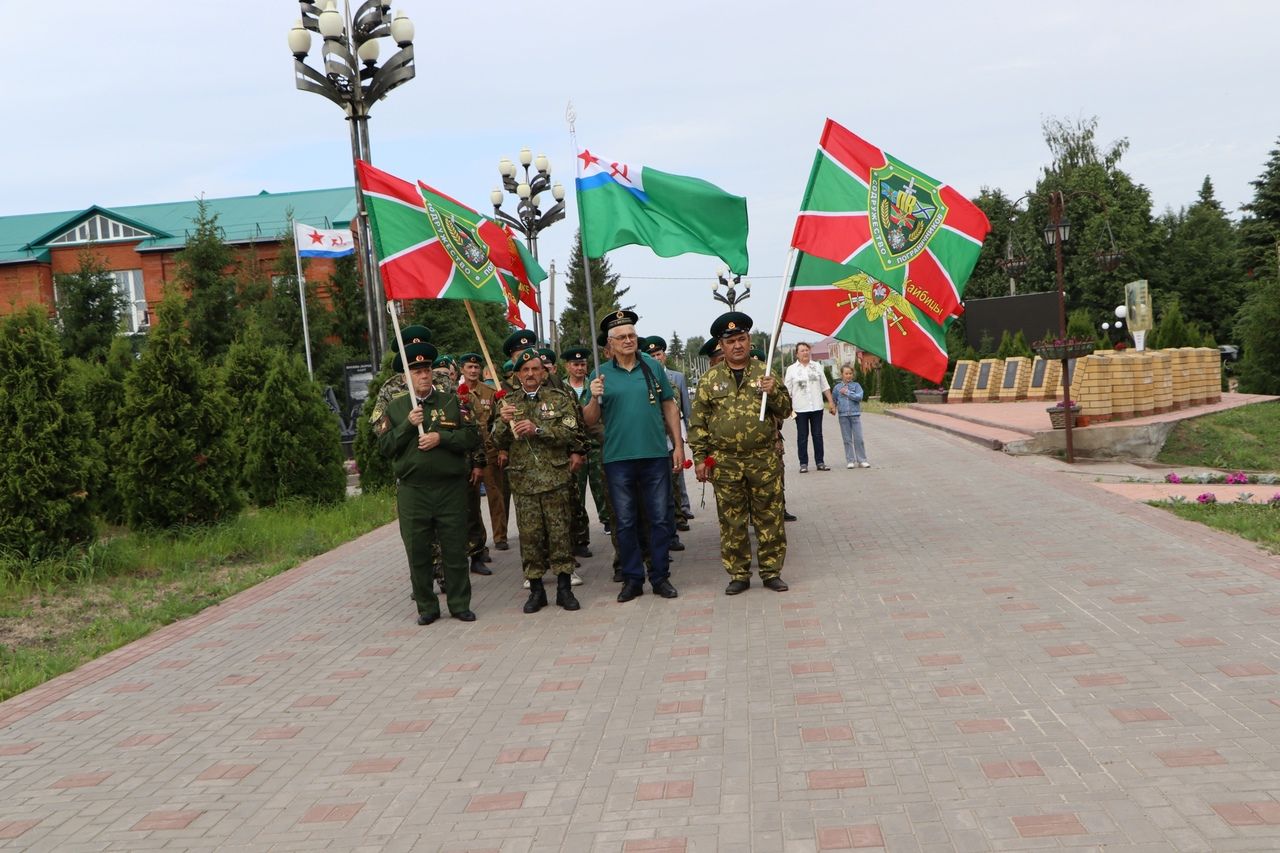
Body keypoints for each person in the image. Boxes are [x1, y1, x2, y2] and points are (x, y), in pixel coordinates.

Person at [375, 339, 479, 624]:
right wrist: (409, 424)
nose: (423, 374)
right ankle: (427, 607)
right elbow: (385, 447)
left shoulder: (451, 401)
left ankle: (459, 604)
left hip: (450, 489)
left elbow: (472, 437)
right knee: (418, 551)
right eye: (416, 370)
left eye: (426, 368)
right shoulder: (396, 408)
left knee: (455, 549)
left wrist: (441, 438)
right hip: (413, 491)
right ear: (405, 376)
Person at [583, 310, 683, 603]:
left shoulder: (652, 367)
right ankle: (632, 579)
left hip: (654, 455)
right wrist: (592, 395)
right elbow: (589, 420)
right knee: (625, 522)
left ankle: (660, 576)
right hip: (618, 459)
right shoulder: (599, 374)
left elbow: (669, 406)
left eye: (632, 335)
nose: (629, 341)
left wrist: (677, 444)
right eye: (622, 337)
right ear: (610, 344)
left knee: (660, 518)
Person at [690, 312, 793, 594]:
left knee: (769, 516)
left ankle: (771, 571)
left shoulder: (766, 374)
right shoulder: (709, 380)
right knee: (732, 520)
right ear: (720, 346)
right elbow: (698, 423)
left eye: (742, 339)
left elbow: (785, 410)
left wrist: (773, 393)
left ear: (749, 340)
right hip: (725, 461)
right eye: (731, 341)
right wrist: (700, 459)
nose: (737, 345)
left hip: (762, 458)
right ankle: (739, 573)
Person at [493, 348, 585, 613]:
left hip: (555, 478)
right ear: (518, 374)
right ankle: (536, 591)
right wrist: (502, 422)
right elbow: (496, 441)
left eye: (535, 369)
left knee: (560, 534)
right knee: (530, 537)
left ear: (544, 372)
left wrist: (538, 429)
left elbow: (570, 432)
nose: (530, 374)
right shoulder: (508, 403)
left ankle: (564, 588)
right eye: (525, 370)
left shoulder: (559, 398)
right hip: (524, 482)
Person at [644, 336, 694, 531]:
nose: (656, 358)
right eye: (652, 355)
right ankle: (672, 515)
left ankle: (684, 506)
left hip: (677, 426)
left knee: (678, 469)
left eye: (658, 354)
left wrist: (688, 431)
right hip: (657, 432)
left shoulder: (677, 377)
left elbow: (685, 407)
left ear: (664, 355)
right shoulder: (646, 377)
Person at [458, 352, 502, 569]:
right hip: (465, 456)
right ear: (462, 370)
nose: (473, 371)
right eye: (469, 367)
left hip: (488, 449)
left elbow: (497, 420)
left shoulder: (490, 393)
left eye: (476, 367)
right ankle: (472, 547)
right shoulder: (454, 393)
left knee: (494, 494)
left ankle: (496, 538)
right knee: (469, 504)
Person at [563, 344, 611, 536]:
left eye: (583, 364)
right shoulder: (562, 388)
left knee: (602, 486)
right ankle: (580, 531)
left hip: (596, 445)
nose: (580, 368)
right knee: (576, 491)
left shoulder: (595, 385)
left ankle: (607, 520)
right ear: (567, 366)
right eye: (575, 364)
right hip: (574, 448)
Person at [783, 342, 836, 472]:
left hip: (816, 407)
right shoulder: (791, 369)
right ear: (797, 354)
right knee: (802, 436)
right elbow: (787, 390)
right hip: (799, 409)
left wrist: (831, 402)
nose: (805, 352)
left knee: (817, 435)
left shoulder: (817, 366)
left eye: (807, 350)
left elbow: (825, 385)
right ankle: (803, 463)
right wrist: (788, 408)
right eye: (802, 351)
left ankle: (820, 462)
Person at [833, 364, 870, 469]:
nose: (848, 375)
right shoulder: (837, 388)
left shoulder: (856, 386)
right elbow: (834, 400)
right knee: (847, 439)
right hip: (843, 416)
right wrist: (833, 408)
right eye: (846, 373)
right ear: (842, 374)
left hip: (855, 415)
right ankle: (850, 460)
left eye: (850, 373)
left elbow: (859, 397)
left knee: (859, 438)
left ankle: (862, 460)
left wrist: (848, 392)